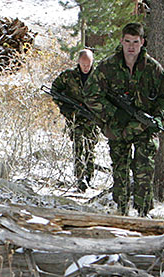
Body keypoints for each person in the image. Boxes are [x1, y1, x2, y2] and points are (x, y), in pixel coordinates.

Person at [83, 22, 164, 216]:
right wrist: (113, 114)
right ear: (121, 41)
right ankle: (122, 211)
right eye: (127, 41)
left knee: (144, 171)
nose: (131, 46)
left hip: (144, 129)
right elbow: (91, 95)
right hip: (118, 129)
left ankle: (143, 214)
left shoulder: (153, 69)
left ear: (142, 42)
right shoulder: (108, 67)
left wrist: (158, 118)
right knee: (120, 172)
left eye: (135, 41)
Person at [51, 49, 100, 192]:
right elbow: (55, 90)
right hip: (75, 118)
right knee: (78, 147)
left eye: (88, 64)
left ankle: (89, 177)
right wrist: (65, 109)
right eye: (83, 64)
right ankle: (80, 178)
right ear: (78, 62)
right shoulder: (69, 76)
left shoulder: (98, 77)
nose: (86, 67)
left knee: (91, 148)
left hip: (92, 119)